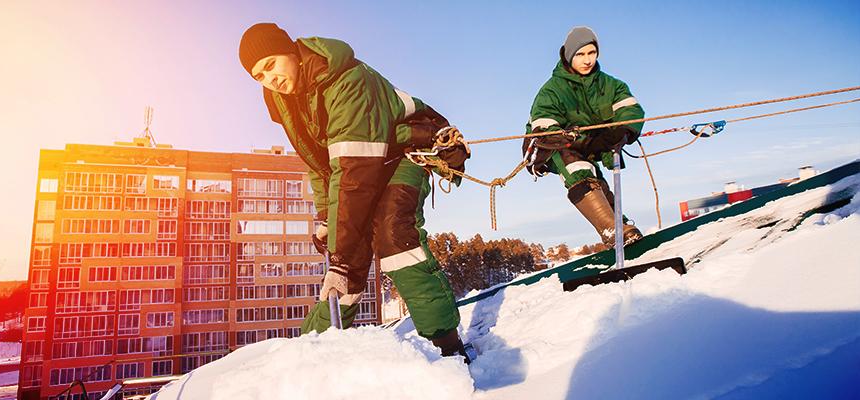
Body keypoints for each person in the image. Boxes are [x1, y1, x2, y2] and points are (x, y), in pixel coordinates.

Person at [237, 23, 471, 360]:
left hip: (402, 152)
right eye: (258, 76)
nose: (269, 79)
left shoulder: (346, 78)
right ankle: (309, 355)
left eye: (270, 64)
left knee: (392, 236)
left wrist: (341, 256)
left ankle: (449, 346)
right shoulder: (287, 101)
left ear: (290, 50)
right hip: (361, 163)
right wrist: (324, 217)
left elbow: (353, 172)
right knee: (348, 255)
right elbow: (320, 165)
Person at [522, 26, 644, 246]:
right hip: (554, 146)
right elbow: (545, 127)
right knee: (578, 169)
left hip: (595, 144)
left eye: (591, 53)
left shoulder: (610, 84)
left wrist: (624, 130)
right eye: (580, 54)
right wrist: (583, 141)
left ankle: (621, 225)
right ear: (569, 56)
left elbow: (630, 108)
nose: (587, 60)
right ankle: (610, 229)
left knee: (597, 180)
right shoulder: (552, 90)